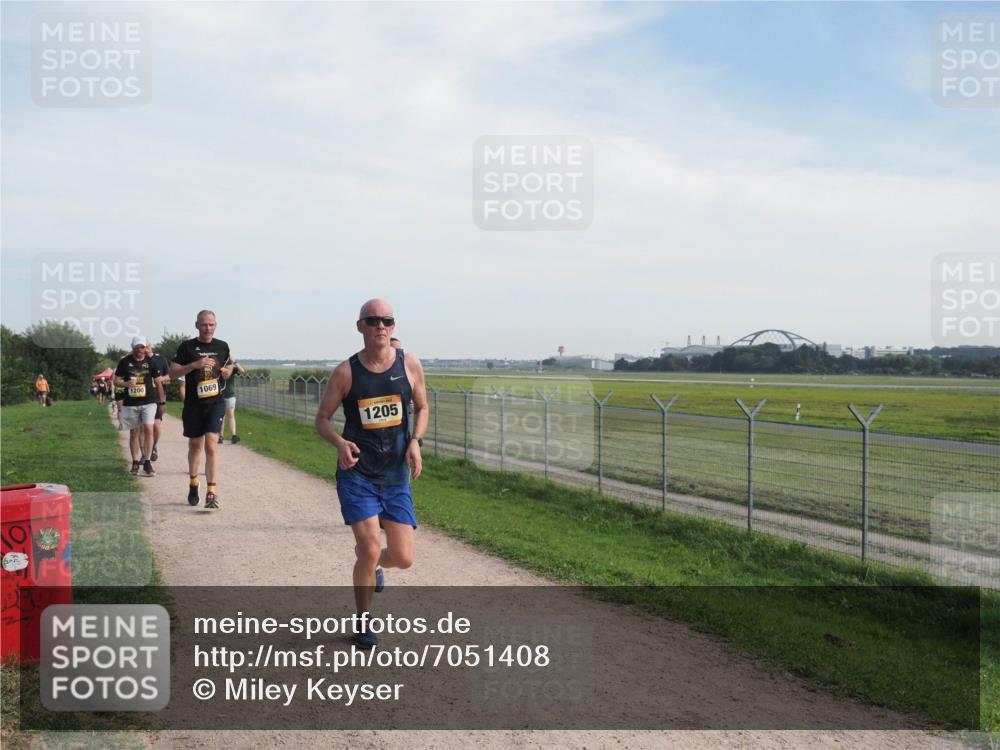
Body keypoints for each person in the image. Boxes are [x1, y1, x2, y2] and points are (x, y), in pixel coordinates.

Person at [315, 299, 428, 649]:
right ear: (360, 326)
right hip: (358, 472)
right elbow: (322, 420)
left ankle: (375, 564)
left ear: (393, 327)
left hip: (395, 473)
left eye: (387, 320)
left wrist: (416, 441)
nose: (381, 326)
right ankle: (363, 621)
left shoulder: (409, 364)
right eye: (373, 320)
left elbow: (422, 407)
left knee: (405, 558)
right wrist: (339, 442)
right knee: (366, 546)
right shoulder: (346, 372)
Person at [170, 310, 233, 510]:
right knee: (195, 445)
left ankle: (212, 492)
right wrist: (195, 364)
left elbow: (229, 367)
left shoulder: (222, 346)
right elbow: (172, 372)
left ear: (216, 325)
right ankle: (194, 482)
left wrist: (226, 372)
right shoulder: (187, 347)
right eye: (204, 324)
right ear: (197, 325)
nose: (208, 328)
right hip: (193, 404)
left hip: (215, 402)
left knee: (212, 444)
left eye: (211, 324)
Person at [114, 337, 165, 477]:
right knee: (134, 432)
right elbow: (116, 380)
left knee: (149, 428)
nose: (139, 350)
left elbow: (158, 382)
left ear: (145, 348)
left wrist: (162, 402)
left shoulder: (151, 362)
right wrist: (125, 384)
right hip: (131, 402)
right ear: (132, 348)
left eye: (142, 347)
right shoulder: (125, 362)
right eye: (136, 347)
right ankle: (135, 461)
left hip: (149, 401)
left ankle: (147, 462)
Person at [145, 339, 170, 462]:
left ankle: (154, 446)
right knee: (144, 426)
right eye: (142, 346)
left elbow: (169, 377)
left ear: (150, 346)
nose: (145, 348)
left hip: (158, 395)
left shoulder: (161, 359)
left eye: (147, 346)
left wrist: (160, 379)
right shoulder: (138, 360)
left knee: (156, 424)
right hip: (142, 396)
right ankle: (145, 452)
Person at [219, 360, 247, 444]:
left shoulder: (233, 368)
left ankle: (234, 435)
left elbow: (242, 371)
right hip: (220, 394)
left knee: (231, 414)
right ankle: (221, 436)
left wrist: (235, 362)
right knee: (221, 415)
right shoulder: (220, 367)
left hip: (230, 395)